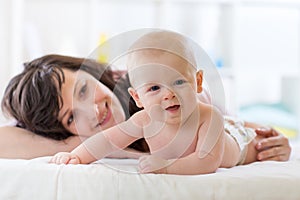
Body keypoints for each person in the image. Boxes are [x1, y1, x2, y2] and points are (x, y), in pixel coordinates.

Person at [50, 31, 291, 174]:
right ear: (138, 98)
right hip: (223, 127)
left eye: (178, 82)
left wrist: (166, 167)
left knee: (260, 145)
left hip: (236, 140)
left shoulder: (208, 116)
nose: (168, 95)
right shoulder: (143, 120)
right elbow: (108, 140)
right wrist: (77, 156)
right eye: (154, 88)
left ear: (197, 82)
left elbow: (208, 160)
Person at [0, 53, 290, 162]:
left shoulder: (150, 83)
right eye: (71, 116)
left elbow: (229, 124)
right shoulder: (87, 139)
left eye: (85, 90)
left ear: (91, 72)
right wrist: (70, 143)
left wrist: (273, 140)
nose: (93, 111)